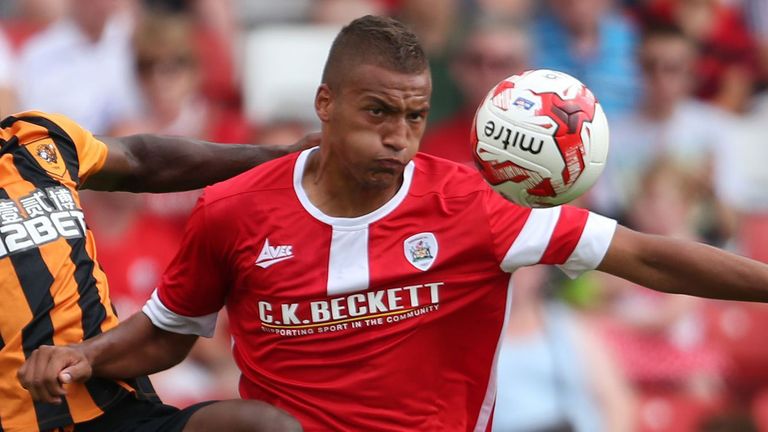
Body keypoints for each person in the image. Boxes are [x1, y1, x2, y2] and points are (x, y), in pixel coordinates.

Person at [19, 15, 768, 431]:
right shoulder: (235, 209)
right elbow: (166, 334)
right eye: (377, 112)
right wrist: (86, 356)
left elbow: (648, 259)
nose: (398, 136)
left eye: (414, 115)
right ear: (325, 104)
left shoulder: (475, 208)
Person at [1, 110, 312, 431]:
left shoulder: (37, 137)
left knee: (266, 426)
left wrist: (281, 157)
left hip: (117, 405)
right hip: (18, 419)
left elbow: (140, 158)